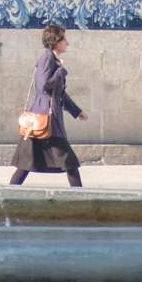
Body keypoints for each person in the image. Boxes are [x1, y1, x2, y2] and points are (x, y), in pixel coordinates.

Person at [9, 22, 86, 187]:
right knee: (69, 162)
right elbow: (44, 85)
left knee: (26, 164)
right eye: (64, 39)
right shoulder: (47, 58)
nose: (67, 43)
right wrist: (61, 71)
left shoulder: (53, 59)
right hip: (45, 118)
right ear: (56, 41)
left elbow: (59, 93)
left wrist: (77, 111)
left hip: (45, 117)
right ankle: (81, 199)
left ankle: (8, 194)